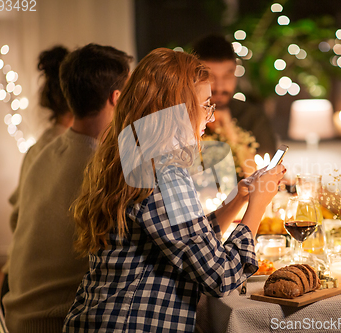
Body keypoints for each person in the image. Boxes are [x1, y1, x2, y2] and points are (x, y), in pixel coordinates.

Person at [63, 48, 285, 332]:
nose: (211, 116)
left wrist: (239, 200)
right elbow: (221, 277)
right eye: (205, 105)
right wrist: (258, 205)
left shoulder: (135, 153)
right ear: (176, 108)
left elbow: (188, 239)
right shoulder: (165, 173)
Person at [3, 44, 132, 333]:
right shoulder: (100, 166)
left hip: (18, 310)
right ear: (117, 98)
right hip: (54, 322)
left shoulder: (46, 150)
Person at [0, 45, 72, 311]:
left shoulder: (42, 146)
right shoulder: (64, 150)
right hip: (26, 290)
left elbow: (17, 217)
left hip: (15, 278)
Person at [193, 34, 277, 157]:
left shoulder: (252, 117)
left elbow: (267, 169)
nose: (220, 87)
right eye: (210, 77)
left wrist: (230, 132)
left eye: (227, 75)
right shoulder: (182, 118)